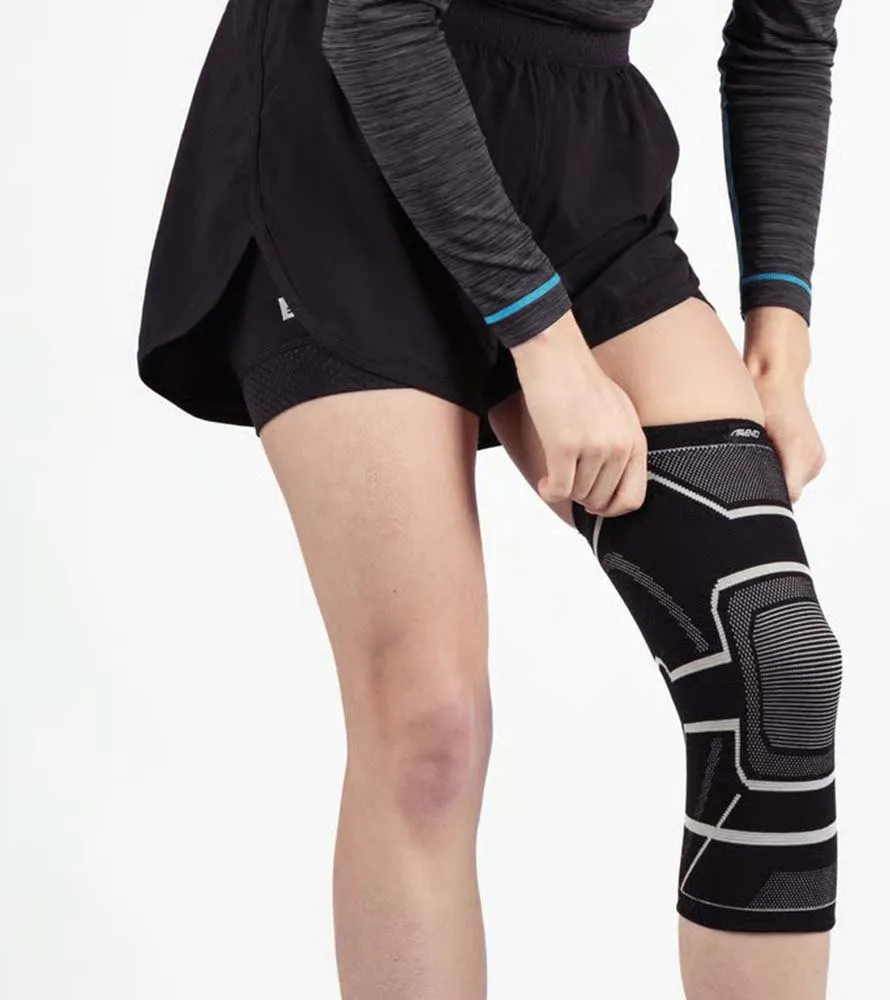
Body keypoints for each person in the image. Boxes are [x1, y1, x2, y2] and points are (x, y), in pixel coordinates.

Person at [136, 0, 845, 996]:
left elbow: (785, 32)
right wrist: (543, 342)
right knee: (429, 727)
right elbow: (374, 25)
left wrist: (780, 327)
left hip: (571, 141)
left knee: (774, 663)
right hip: (345, 137)